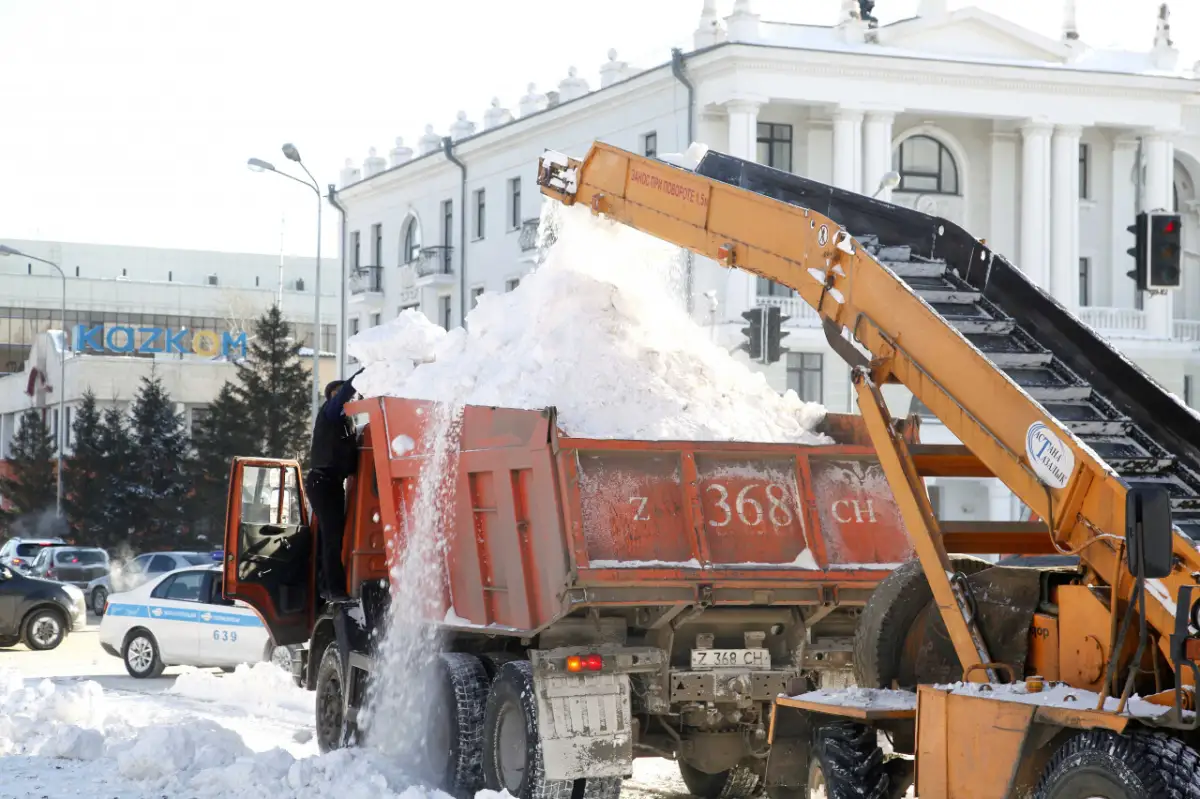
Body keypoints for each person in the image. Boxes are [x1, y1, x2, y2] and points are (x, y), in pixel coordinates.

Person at [306, 369, 363, 602]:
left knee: (330, 537)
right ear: (332, 395)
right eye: (339, 393)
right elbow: (341, 398)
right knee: (332, 538)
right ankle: (334, 590)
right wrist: (362, 374)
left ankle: (325, 587)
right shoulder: (330, 413)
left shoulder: (344, 424)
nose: (345, 398)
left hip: (329, 483)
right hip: (323, 481)